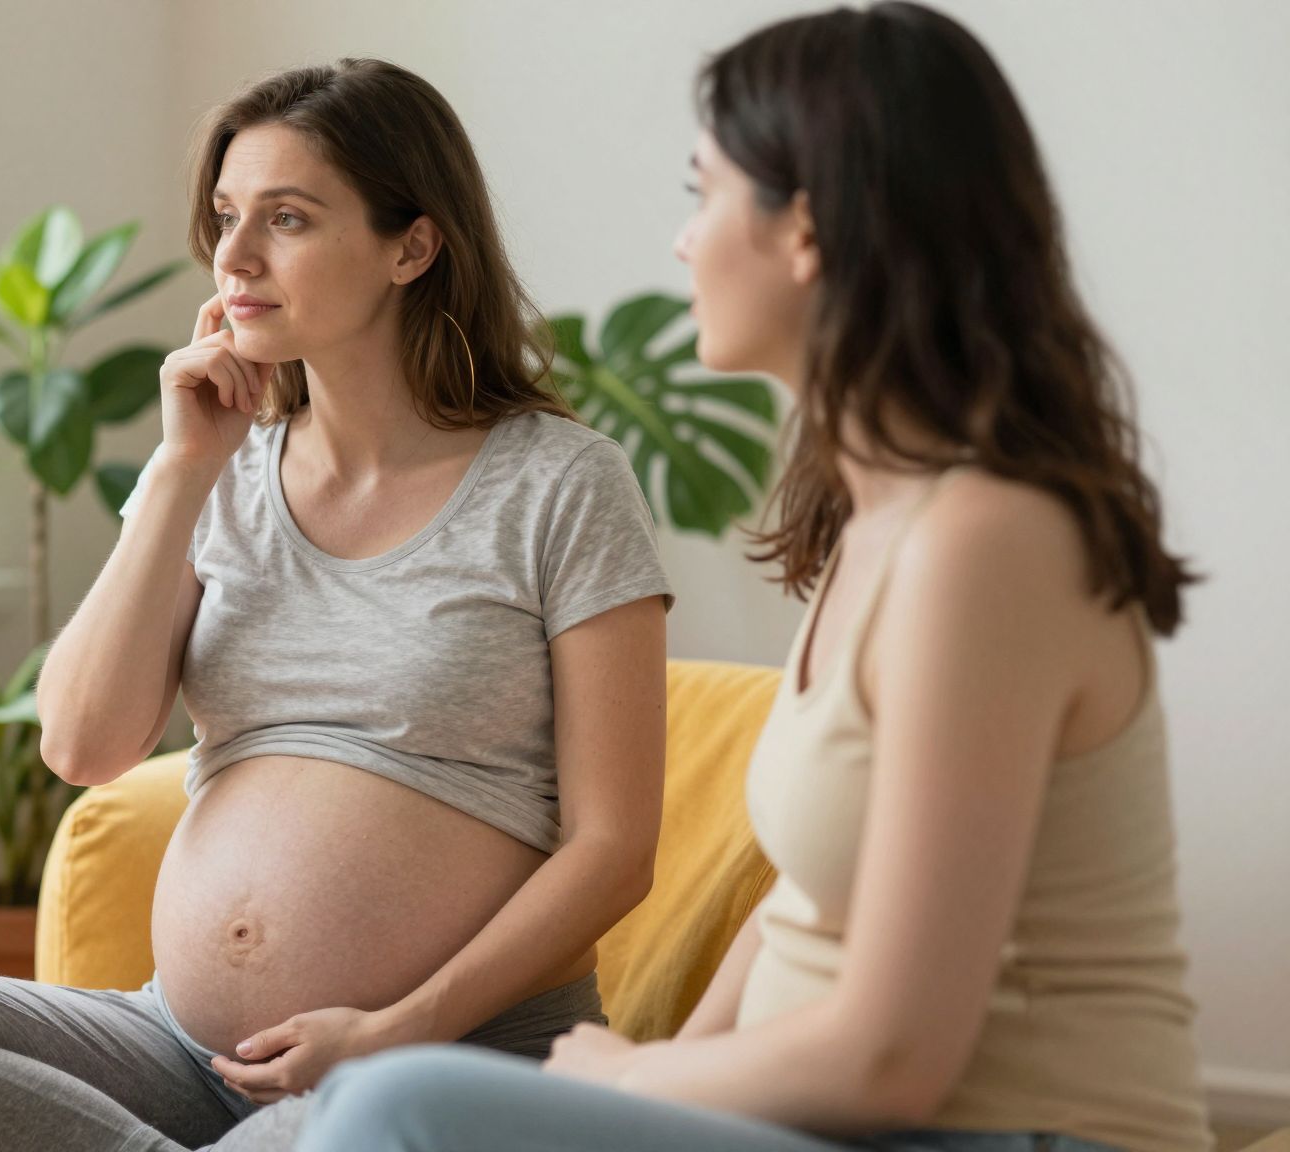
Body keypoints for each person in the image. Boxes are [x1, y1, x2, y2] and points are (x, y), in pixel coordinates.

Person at [297, 6, 1212, 1152]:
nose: (682, 243)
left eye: (704, 194)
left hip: (1015, 1135)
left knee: (396, 1105)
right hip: (837, 1128)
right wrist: (661, 1072)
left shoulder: (988, 542)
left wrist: (627, 1085)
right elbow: (806, 906)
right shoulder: (880, 524)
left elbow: (893, 1055)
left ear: (806, 231)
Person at [0, 57, 674, 1151]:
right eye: (223, 217)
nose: (234, 258)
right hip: (178, 1049)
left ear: (412, 245)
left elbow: (614, 846)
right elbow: (80, 743)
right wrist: (178, 473)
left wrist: (398, 1028)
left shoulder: (560, 484)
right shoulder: (225, 474)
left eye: (286, 219)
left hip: (444, 1060)